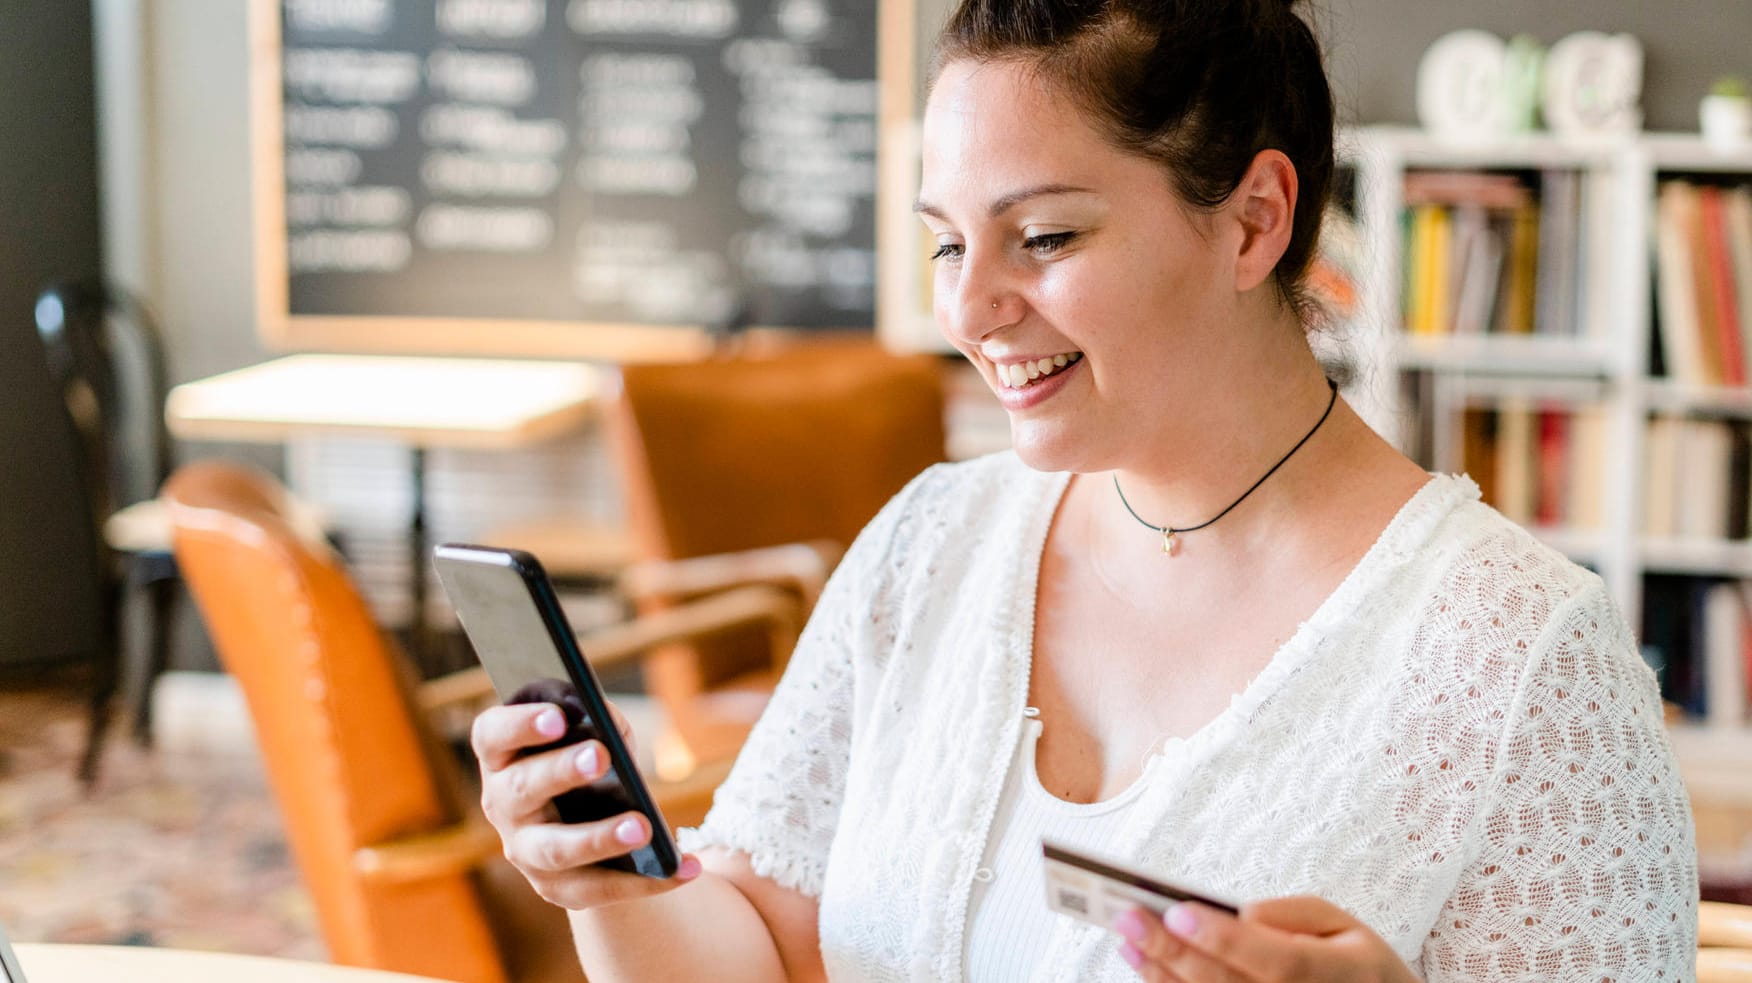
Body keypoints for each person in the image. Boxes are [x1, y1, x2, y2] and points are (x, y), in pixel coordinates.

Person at [470, 0, 1699, 977]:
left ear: (1256, 219)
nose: (967, 305)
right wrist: (603, 878)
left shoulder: (1524, 662)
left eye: (1044, 237)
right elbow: (774, 944)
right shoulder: (930, 541)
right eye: (950, 239)